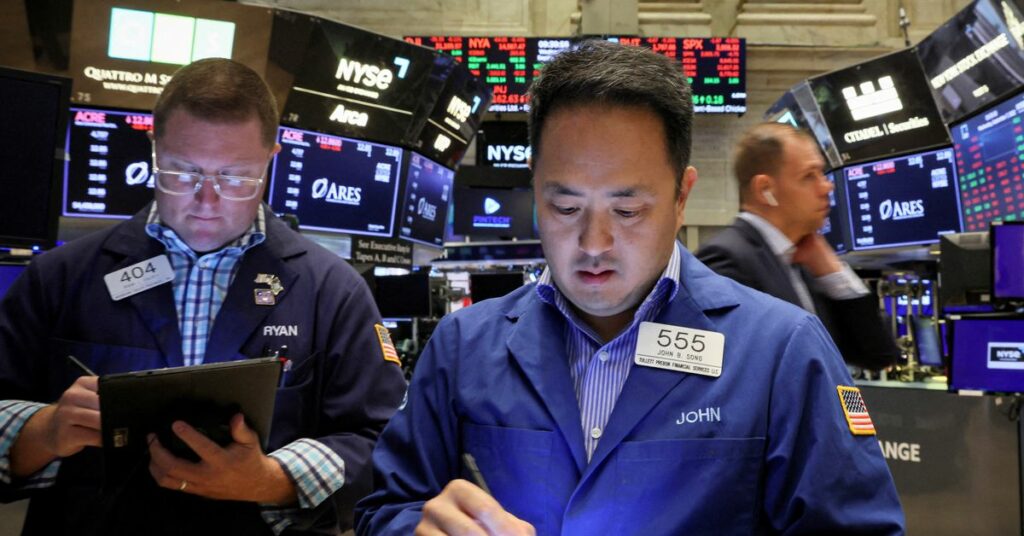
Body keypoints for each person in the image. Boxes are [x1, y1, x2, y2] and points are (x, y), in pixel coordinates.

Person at [355, 41, 904, 535]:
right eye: (565, 206)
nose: (594, 242)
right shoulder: (462, 347)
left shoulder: (783, 351)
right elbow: (387, 509)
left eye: (628, 209)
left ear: (682, 195)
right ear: (534, 186)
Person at [0, 58, 406, 535]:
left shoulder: (333, 290)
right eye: (181, 171)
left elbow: (380, 441)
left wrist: (270, 480)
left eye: (236, 177)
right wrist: (43, 432)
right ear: (154, 146)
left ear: (271, 158)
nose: (207, 200)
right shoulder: (60, 276)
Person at [696, 122, 898, 371]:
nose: (826, 187)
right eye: (808, 176)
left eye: (821, 174)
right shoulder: (726, 259)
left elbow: (878, 355)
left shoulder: (802, 261)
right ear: (765, 189)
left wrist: (833, 273)